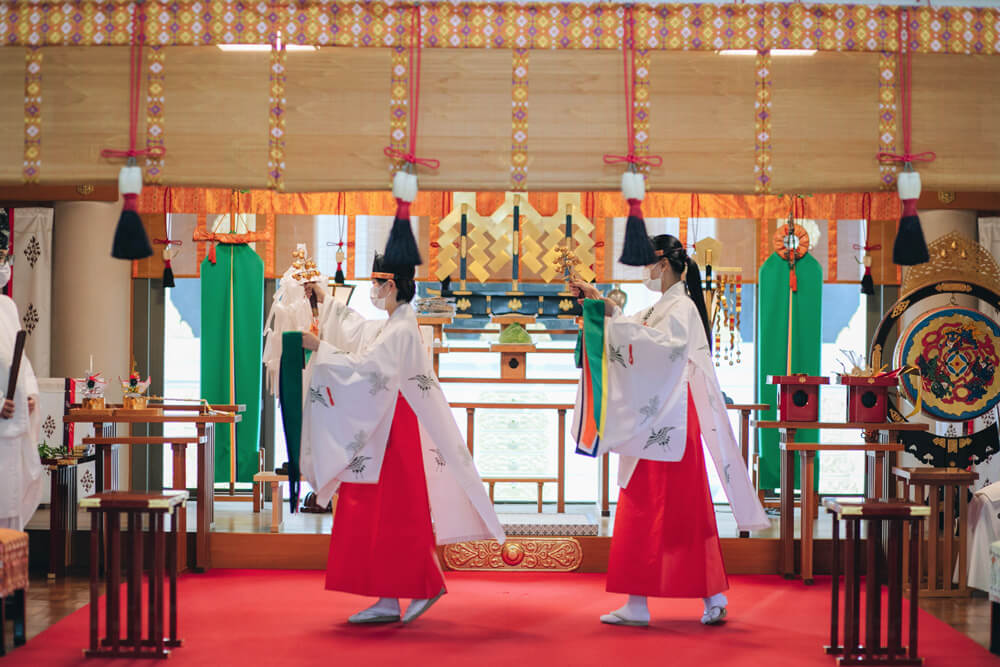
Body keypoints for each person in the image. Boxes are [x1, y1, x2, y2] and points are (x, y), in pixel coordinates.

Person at [570, 234, 769, 627]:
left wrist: (606, 321)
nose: (645, 271)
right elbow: (634, 326)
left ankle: (690, 598)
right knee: (663, 508)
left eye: (648, 263)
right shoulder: (668, 306)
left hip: (672, 420)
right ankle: (659, 600)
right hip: (658, 420)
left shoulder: (682, 308)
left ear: (664, 264)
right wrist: (598, 303)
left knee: (671, 508)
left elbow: (656, 347)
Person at [299, 255, 505, 625]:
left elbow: (367, 369)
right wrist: (326, 301)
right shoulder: (397, 323)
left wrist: (321, 349)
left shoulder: (402, 328)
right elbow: (361, 332)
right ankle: (389, 596)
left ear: (391, 284)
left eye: (377, 283)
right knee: (380, 512)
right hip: (383, 426)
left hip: (392, 429)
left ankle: (421, 585)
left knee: (393, 513)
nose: (373, 291)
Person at [0, 258, 42, 531]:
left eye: (5, 259)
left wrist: (30, 395)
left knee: (10, 499)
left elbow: (21, 361)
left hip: (12, 424)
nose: (5, 266)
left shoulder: (7, 306)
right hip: (2, 412)